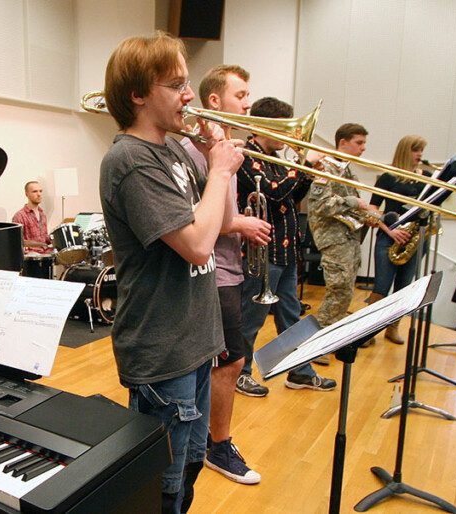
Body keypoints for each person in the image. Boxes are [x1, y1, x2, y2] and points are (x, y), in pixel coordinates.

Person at [100, 32, 243, 512]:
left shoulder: (176, 150)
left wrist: (217, 156)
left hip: (196, 341)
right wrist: (218, 171)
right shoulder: (131, 160)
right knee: (162, 485)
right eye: (176, 84)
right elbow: (199, 247)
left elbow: (220, 222)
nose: (189, 95)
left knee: (190, 467)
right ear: (138, 94)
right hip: (162, 352)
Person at [179, 64, 269, 486]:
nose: (248, 103)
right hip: (211, 273)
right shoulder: (197, 151)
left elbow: (225, 212)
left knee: (230, 362)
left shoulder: (225, 147)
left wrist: (240, 221)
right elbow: (200, 220)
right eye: (241, 95)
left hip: (230, 268)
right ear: (214, 101)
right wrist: (241, 225)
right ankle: (216, 445)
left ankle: (211, 442)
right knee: (226, 362)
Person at [237, 97, 336, 392]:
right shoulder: (245, 156)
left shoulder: (278, 161)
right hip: (262, 251)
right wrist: (303, 166)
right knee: (250, 318)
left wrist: (306, 174)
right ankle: (240, 372)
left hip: (286, 250)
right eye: (281, 128)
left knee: (292, 316)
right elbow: (274, 192)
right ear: (259, 126)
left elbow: (290, 198)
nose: (288, 136)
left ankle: (301, 371)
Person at [307, 124, 381, 345]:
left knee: (346, 291)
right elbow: (320, 206)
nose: (363, 148)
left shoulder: (346, 170)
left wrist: (371, 216)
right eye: (359, 142)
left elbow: (350, 208)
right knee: (339, 291)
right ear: (342, 142)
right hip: (333, 239)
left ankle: (331, 337)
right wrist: (353, 202)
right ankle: (318, 342)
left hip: (348, 237)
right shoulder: (326, 168)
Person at [367, 134, 430, 344]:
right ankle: (367, 331)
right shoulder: (388, 177)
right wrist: (390, 229)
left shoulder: (427, 178)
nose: (419, 155)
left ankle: (393, 328)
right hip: (389, 237)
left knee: (404, 287)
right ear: (405, 151)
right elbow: (373, 208)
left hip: (414, 239)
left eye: (421, 150)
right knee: (381, 286)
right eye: (415, 150)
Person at [12, 180, 53, 255]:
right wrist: (23, 248)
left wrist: (56, 238)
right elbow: (16, 241)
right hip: (32, 253)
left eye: (40, 191)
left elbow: (45, 238)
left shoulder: (42, 214)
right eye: (35, 191)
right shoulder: (20, 215)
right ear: (27, 194)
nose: (39, 194)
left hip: (45, 251)